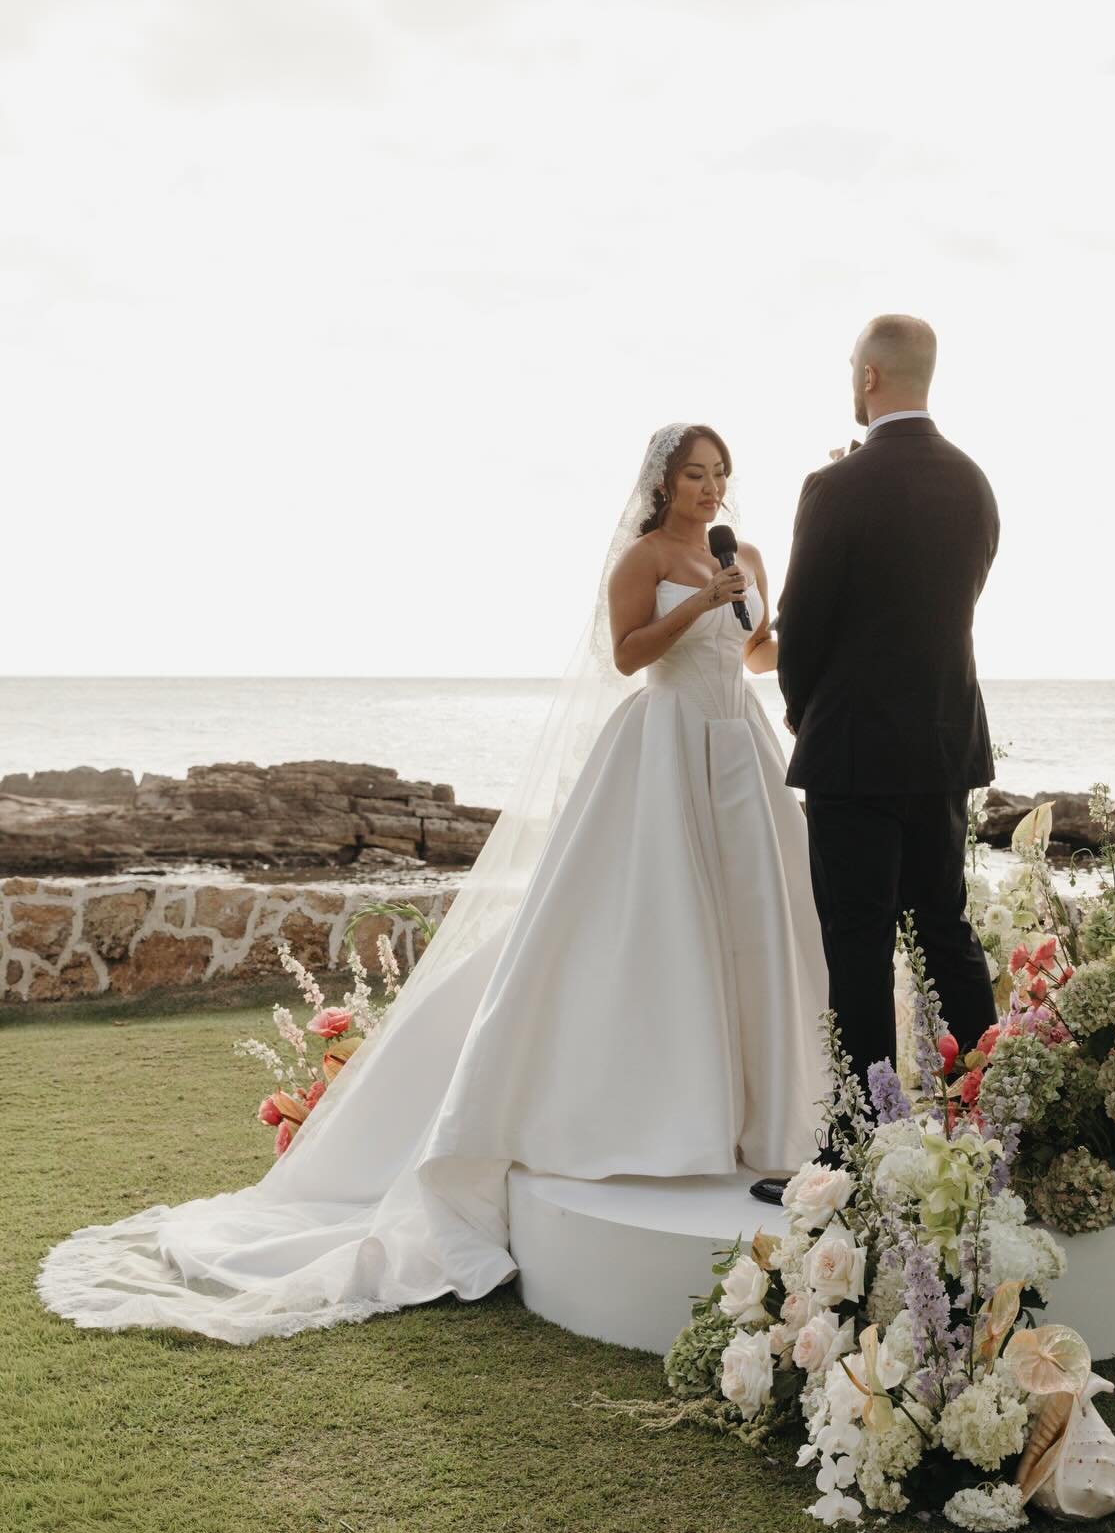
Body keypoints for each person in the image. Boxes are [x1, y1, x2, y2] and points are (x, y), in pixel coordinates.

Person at [38, 424, 827, 1344]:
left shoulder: (750, 554)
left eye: (720, 473)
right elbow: (627, 655)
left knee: (759, 930)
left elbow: (757, 653)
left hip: (740, 754)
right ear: (663, 483)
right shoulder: (644, 557)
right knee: (661, 926)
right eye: (695, 473)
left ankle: (759, 1109)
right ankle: (656, 1115)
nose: (710, 487)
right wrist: (700, 607)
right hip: (664, 753)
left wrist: (774, 629)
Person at [754, 316, 1000, 1196]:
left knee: (857, 950)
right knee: (947, 934)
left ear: (867, 378)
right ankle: (987, 1124)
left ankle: (858, 1154)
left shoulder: (836, 487)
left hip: (854, 751)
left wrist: (801, 713)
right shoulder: (973, 484)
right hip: (940, 747)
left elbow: (804, 624)